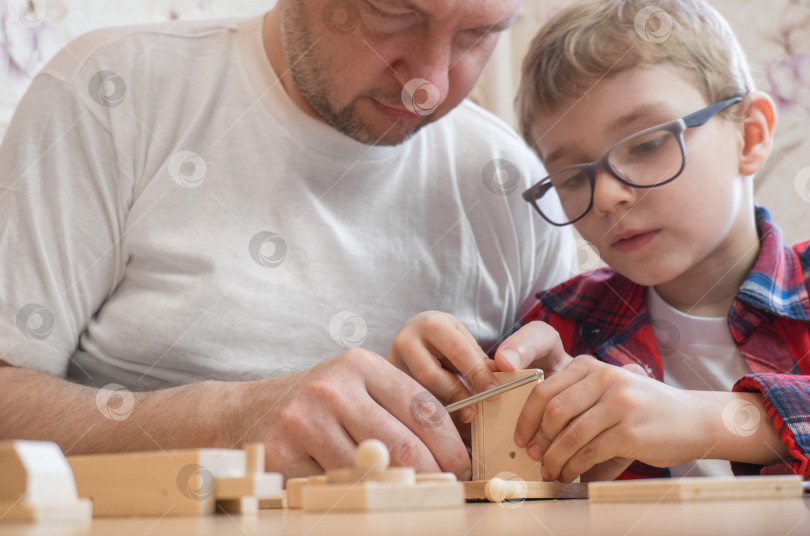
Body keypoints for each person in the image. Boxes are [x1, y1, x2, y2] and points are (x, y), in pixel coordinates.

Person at [0, 0, 575, 480]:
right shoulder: (111, 94)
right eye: (393, 13)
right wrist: (227, 420)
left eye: (478, 35)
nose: (430, 83)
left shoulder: (514, 184)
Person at [389, 0, 810, 482]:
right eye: (571, 177)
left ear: (750, 136)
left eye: (647, 144)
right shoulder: (560, 328)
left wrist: (710, 420)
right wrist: (440, 403)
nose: (607, 195)